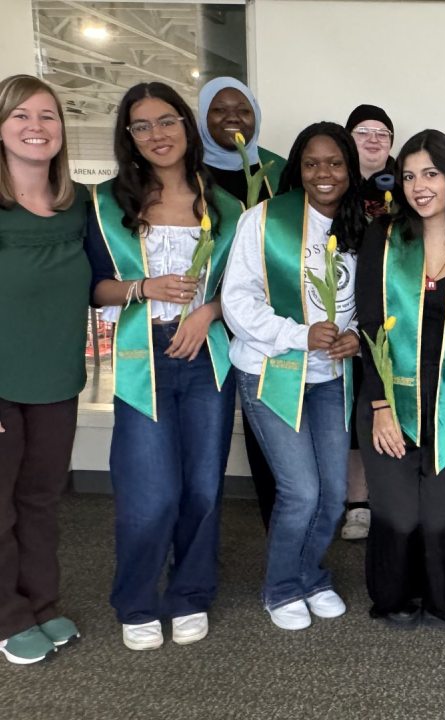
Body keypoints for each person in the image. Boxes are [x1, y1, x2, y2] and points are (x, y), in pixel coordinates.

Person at [87, 82, 243, 650]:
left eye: (167, 121)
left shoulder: (226, 206)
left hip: (206, 358)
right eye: (142, 125)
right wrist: (143, 286)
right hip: (141, 356)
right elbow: (95, 288)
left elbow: (249, 289)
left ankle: (190, 592)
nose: (157, 134)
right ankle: (135, 600)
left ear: (188, 126)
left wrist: (208, 312)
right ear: (129, 137)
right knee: (149, 492)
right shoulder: (107, 203)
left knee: (203, 485)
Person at [221, 122, 365, 630]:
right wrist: (298, 334)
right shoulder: (265, 220)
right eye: (312, 163)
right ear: (298, 169)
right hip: (271, 371)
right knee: (300, 491)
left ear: (350, 168)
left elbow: (368, 301)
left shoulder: (362, 224)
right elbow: (236, 300)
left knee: (332, 494)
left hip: (330, 377)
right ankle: (281, 588)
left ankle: (310, 577)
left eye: (335, 163)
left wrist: (357, 337)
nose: (324, 173)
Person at [356, 129, 445, 627]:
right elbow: (370, 327)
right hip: (389, 398)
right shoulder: (385, 236)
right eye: (410, 176)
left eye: (431, 174)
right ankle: (396, 597)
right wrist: (379, 408)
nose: (419, 186)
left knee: (440, 516)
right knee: (399, 516)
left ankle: (444, 599)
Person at [0, 75, 89, 664]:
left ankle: (43, 603)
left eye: (48, 116)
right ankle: (7, 616)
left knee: (39, 499)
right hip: (1, 384)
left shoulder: (78, 204)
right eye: (20, 116)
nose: (36, 127)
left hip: (56, 379)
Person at [198, 76, 286, 531]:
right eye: (219, 109)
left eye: (243, 110)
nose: (233, 118)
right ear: (201, 116)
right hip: (205, 319)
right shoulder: (189, 171)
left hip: (266, 318)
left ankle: (280, 524)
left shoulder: (278, 170)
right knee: (205, 432)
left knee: (267, 426)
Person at [340, 104, 397, 541]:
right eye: (364, 132)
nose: (374, 139)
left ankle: (389, 496)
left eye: (383, 132)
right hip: (340, 318)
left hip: (395, 317)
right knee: (356, 409)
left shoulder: (407, 182)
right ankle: (357, 503)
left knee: (390, 401)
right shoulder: (332, 183)